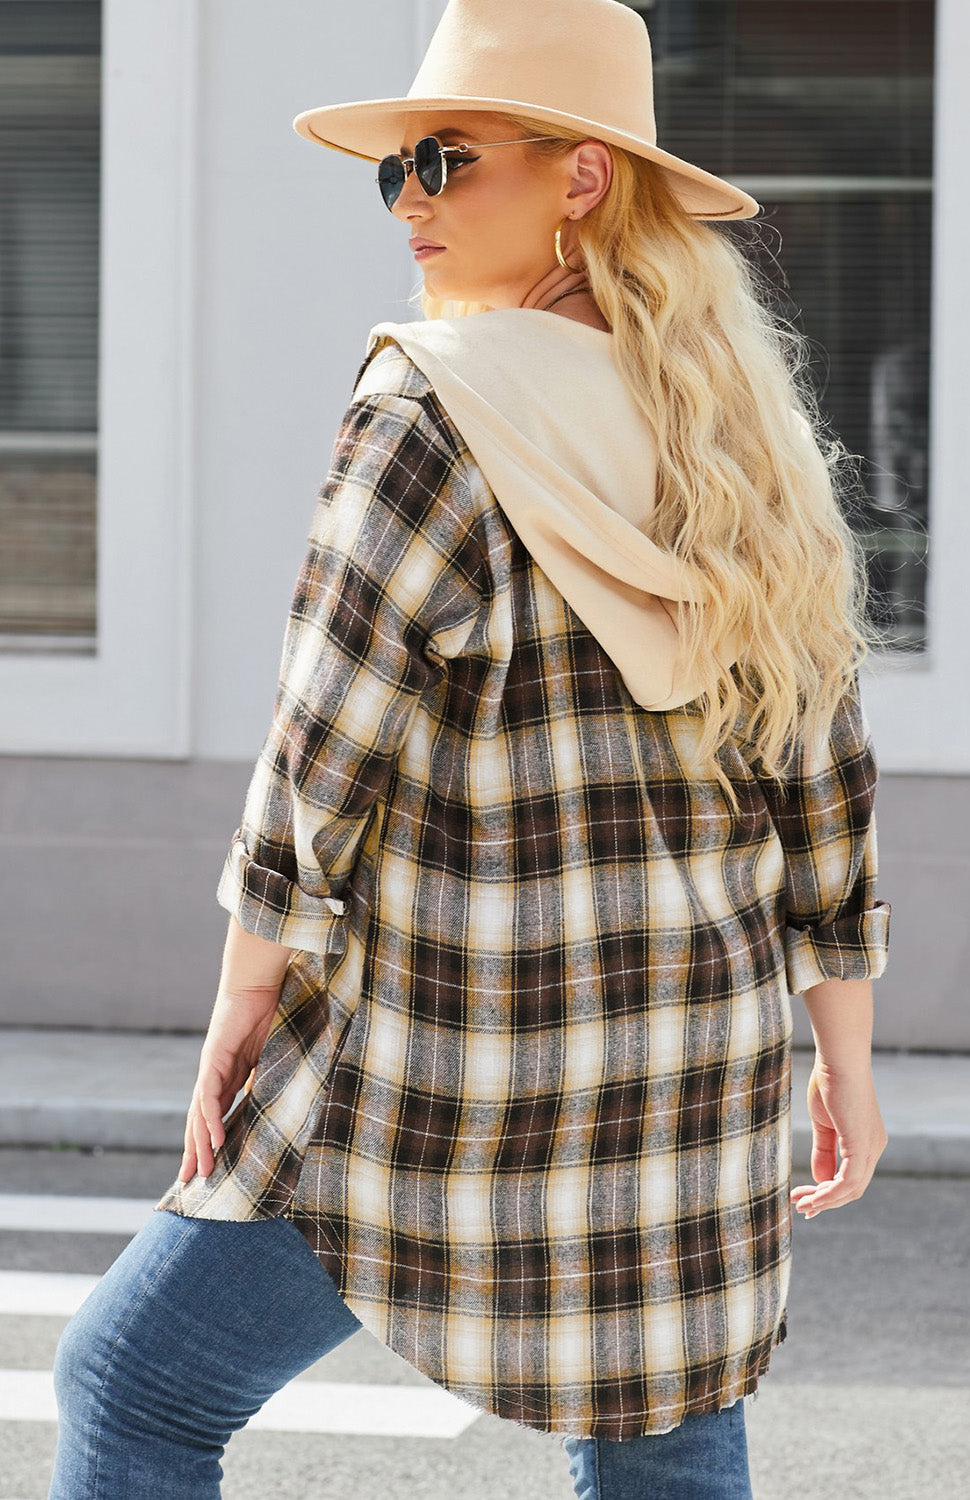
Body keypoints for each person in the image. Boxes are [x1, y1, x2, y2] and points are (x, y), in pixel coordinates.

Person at [48, 2, 893, 1496]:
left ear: (581, 180)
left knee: (131, 1386)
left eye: (448, 161)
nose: (412, 203)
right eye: (397, 173)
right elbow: (817, 763)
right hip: (693, 1055)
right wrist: (841, 1052)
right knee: (661, 1434)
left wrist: (245, 1000)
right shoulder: (732, 433)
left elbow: (325, 748)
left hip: (450, 1044)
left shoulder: (428, 418)